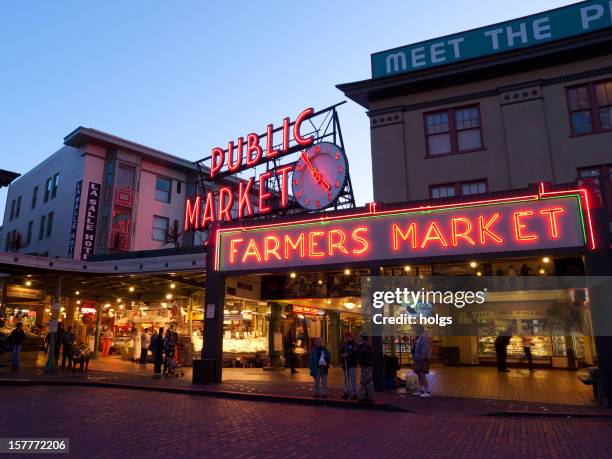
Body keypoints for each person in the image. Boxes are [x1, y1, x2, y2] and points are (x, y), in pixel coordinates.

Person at [412, 324, 432, 397]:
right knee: (419, 374)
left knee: (422, 374)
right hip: (418, 358)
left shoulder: (423, 336)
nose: (413, 330)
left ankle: (427, 391)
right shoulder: (419, 336)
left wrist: (421, 357)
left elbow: (425, 348)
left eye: (414, 329)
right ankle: (421, 390)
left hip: (421, 359)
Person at [357, 332, 374, 403]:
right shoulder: (366, 346)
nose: (359, 338)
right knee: (365, 381)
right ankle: (366, 396)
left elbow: (365, 354)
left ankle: (367, 396)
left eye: (360, 337)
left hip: (366, 365)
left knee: (366, 381)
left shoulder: (365, 346)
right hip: (366, 365)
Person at [340, 332, 358, 400]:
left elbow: (355, 352)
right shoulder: (344, 345)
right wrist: (342, 354)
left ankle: (354, 393)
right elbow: (341, 352)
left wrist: (347, 354)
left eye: (348, 337)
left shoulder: (354, 344)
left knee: (353, 379)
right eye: (345, 337)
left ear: (351, 337)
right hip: (346, 364)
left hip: (352, 364)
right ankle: (346, 392)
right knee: (346, 379)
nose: (346, 338)